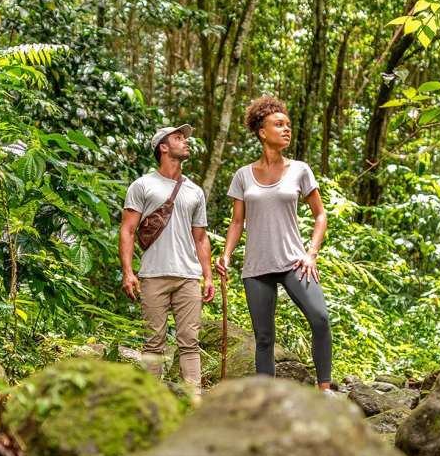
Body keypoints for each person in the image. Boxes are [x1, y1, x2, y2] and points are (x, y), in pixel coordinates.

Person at [215, 97, 334, 392]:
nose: (286, 130)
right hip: (257, 266)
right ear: (261, 132)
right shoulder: (243, 175)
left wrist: (311, 253)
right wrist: (226, 256)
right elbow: (237, 222)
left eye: (288, 125)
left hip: (294, 261)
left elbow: (320, 215)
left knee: (320, 318)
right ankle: (266, 401)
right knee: (264, 337)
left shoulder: (300, 170)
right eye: (278, 125)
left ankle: (324, 389)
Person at [119, 124, 215, 397]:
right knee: (153, 343)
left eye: (185, 138)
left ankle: (194, 400)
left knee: (190, 342)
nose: (185, 142)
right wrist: (128, 272)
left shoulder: (194, 191)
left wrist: (207, 276)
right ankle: (153, 401)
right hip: (153, 274)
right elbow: (127, 230)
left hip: (188, 275)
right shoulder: (143, 185)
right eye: (178, 138)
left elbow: (200, 237)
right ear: (162, 147)